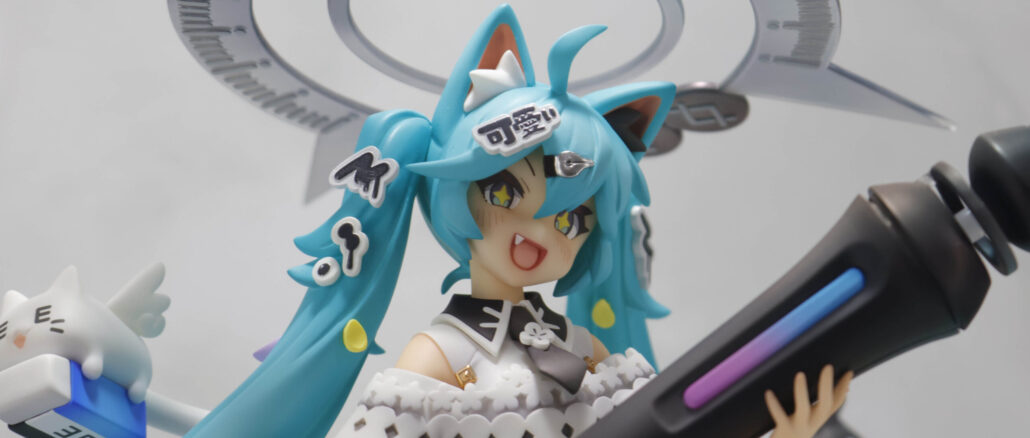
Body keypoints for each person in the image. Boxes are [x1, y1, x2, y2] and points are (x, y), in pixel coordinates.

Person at [185, 5, 849, 438]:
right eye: (507, 194)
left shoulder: (583, 350)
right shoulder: (440, 357)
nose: (542, 233)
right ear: (460, 191)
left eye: (573, 220)